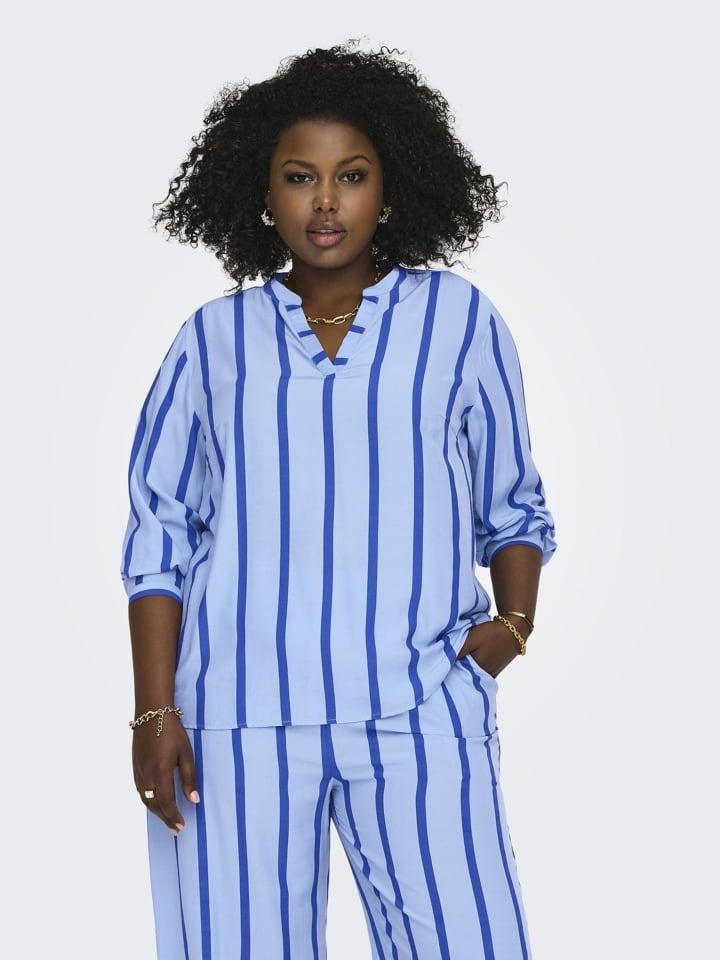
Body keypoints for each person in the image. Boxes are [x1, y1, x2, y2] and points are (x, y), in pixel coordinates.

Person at [120, 40, 558, 960]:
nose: (326, 202)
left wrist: (511, 628)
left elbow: (514, 502)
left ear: (389, 190)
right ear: (264, 193)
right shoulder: (212, 341)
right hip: (237, 723)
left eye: (351, 176)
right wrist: (155, 712)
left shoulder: (457, 321)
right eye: (300, 177)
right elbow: (159, 535)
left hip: (420, 704)